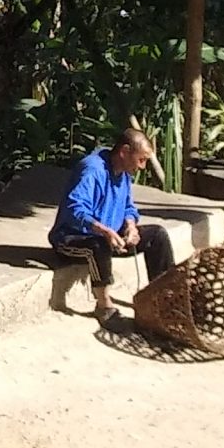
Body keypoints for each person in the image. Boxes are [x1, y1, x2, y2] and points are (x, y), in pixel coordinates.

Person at [50, 124, 174, 317]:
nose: (142, 166)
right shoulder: (92, 169)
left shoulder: (123, 173)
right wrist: (103, 230)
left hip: (112, 237)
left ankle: (165, 297)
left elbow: (128, 207)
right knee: (99, 244)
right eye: (141, 160)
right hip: (73, 239)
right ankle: (104, 305)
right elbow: (74, 209)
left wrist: (131, 226)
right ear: (125, 151)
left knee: (157, 235)